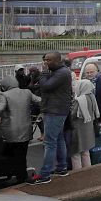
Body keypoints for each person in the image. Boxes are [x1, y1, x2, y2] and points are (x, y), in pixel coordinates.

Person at [0, 76, 40, 183]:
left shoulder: (5, 95)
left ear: (5, 86)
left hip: (10, 132)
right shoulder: (27, 92)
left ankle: (18, 177)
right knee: (22, 154)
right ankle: (21, 176)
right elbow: (40, 101)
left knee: (11, 155)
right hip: (26, 129)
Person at [28, 52, 73, 185]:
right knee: (59, 139)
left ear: (57, 61)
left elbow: (46, 86)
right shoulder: (58, 71)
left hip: (55, 111)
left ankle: (45, 174)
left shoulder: (62, 73)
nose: (45, 62)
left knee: (49, 142)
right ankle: (62, 168)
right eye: (45, 60)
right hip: (56, 110)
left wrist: (43, 73)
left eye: (48, 60)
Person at [69, 78, 99, 169]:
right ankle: (88, 171)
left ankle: (78, 174)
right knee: (86, 152)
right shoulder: (92, 97)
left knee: (75, 154)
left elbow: (72, 115)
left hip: (78, 130)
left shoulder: (79, 100)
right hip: (88, 129)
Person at [83, 63, 101, 128]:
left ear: (96, 71)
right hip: (89, 114)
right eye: (87, 72)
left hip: (99, 114)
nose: (89, 74)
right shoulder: (84, 82)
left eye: (91, 72)